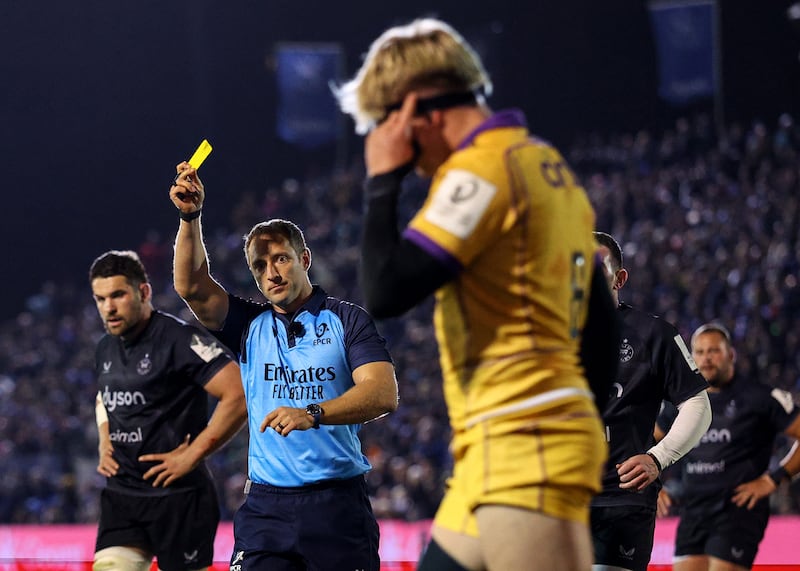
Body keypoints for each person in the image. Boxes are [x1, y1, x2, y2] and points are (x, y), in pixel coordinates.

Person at [335, 18, 620, 571]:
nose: (412, 160)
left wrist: (381, 184)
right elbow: (600, 323)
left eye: (387, 123)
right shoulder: (544, 163)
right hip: (500, 447)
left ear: (417, 109)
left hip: (526, 443)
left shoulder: (480, 170)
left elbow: (386, 290)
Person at [169, 165, 399, 571]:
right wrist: (191, 218)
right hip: (267, 509)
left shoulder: (347, 320)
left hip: (337, 506)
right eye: (260, 265)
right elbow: (190, 286)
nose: (272, 273)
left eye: (281, 259)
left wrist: (314, 414)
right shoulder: (248, 325)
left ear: (304, 258)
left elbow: (382, 394)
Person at [89, 250, 247, 571]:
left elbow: (239, 393)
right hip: (123, 495)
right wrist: (105, 439)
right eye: (100, 299)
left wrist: (192, 455)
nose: (109, 307)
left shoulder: (180, 339)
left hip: (181, 499)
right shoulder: (105, 346)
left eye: (118, 295)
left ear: (143, 292)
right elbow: (104, 397)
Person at [589, 232, 712, 571]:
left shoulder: (653, 334)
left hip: (621, 500)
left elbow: (697, 405)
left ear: (619, 278)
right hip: (555, 499)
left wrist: (657, 458)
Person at [657, 322, 800, 571]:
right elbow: (647, 441)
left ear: (730, 355)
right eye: (699, 352)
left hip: (738, 511)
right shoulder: (682, 402)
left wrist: (773, 479)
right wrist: (653, 485)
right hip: (693, 511)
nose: (706, 359)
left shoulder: (759, 397)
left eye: (714, 351)